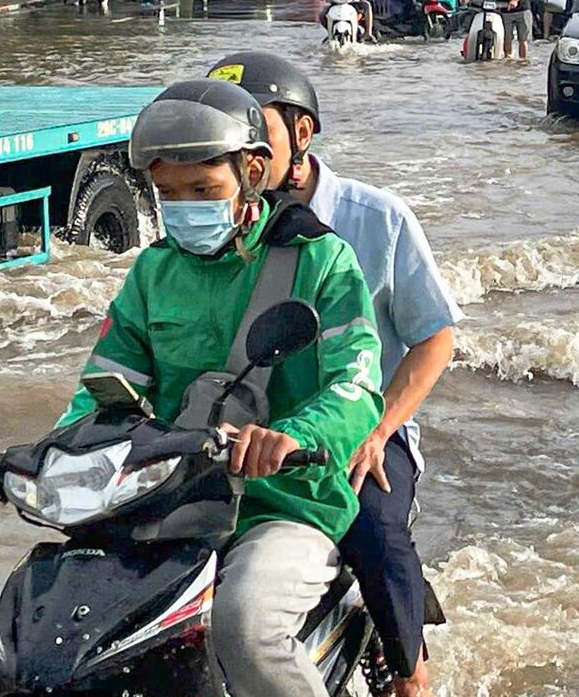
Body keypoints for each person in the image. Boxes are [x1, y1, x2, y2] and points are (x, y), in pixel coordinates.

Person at [0, 78, 384, 697]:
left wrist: (289, 438)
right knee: (33, 634)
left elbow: (356, 388)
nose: (186, 206)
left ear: (251, 172)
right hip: (165, 505)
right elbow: (105, 392)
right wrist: (39, 457)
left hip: (282, 504)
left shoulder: (322, 262)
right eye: (169, 194)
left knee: (244, 628)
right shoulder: (152, 272)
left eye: (203, 189)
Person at [205, 54, 460, 697]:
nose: (241, 148)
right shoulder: (218, 225)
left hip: (362, 427)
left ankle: (412, 674)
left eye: (253, 127)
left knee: (371, 526)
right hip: (246, 432)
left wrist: (377, 431)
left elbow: (434, 340)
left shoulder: (378, 218)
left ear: (303, 134)